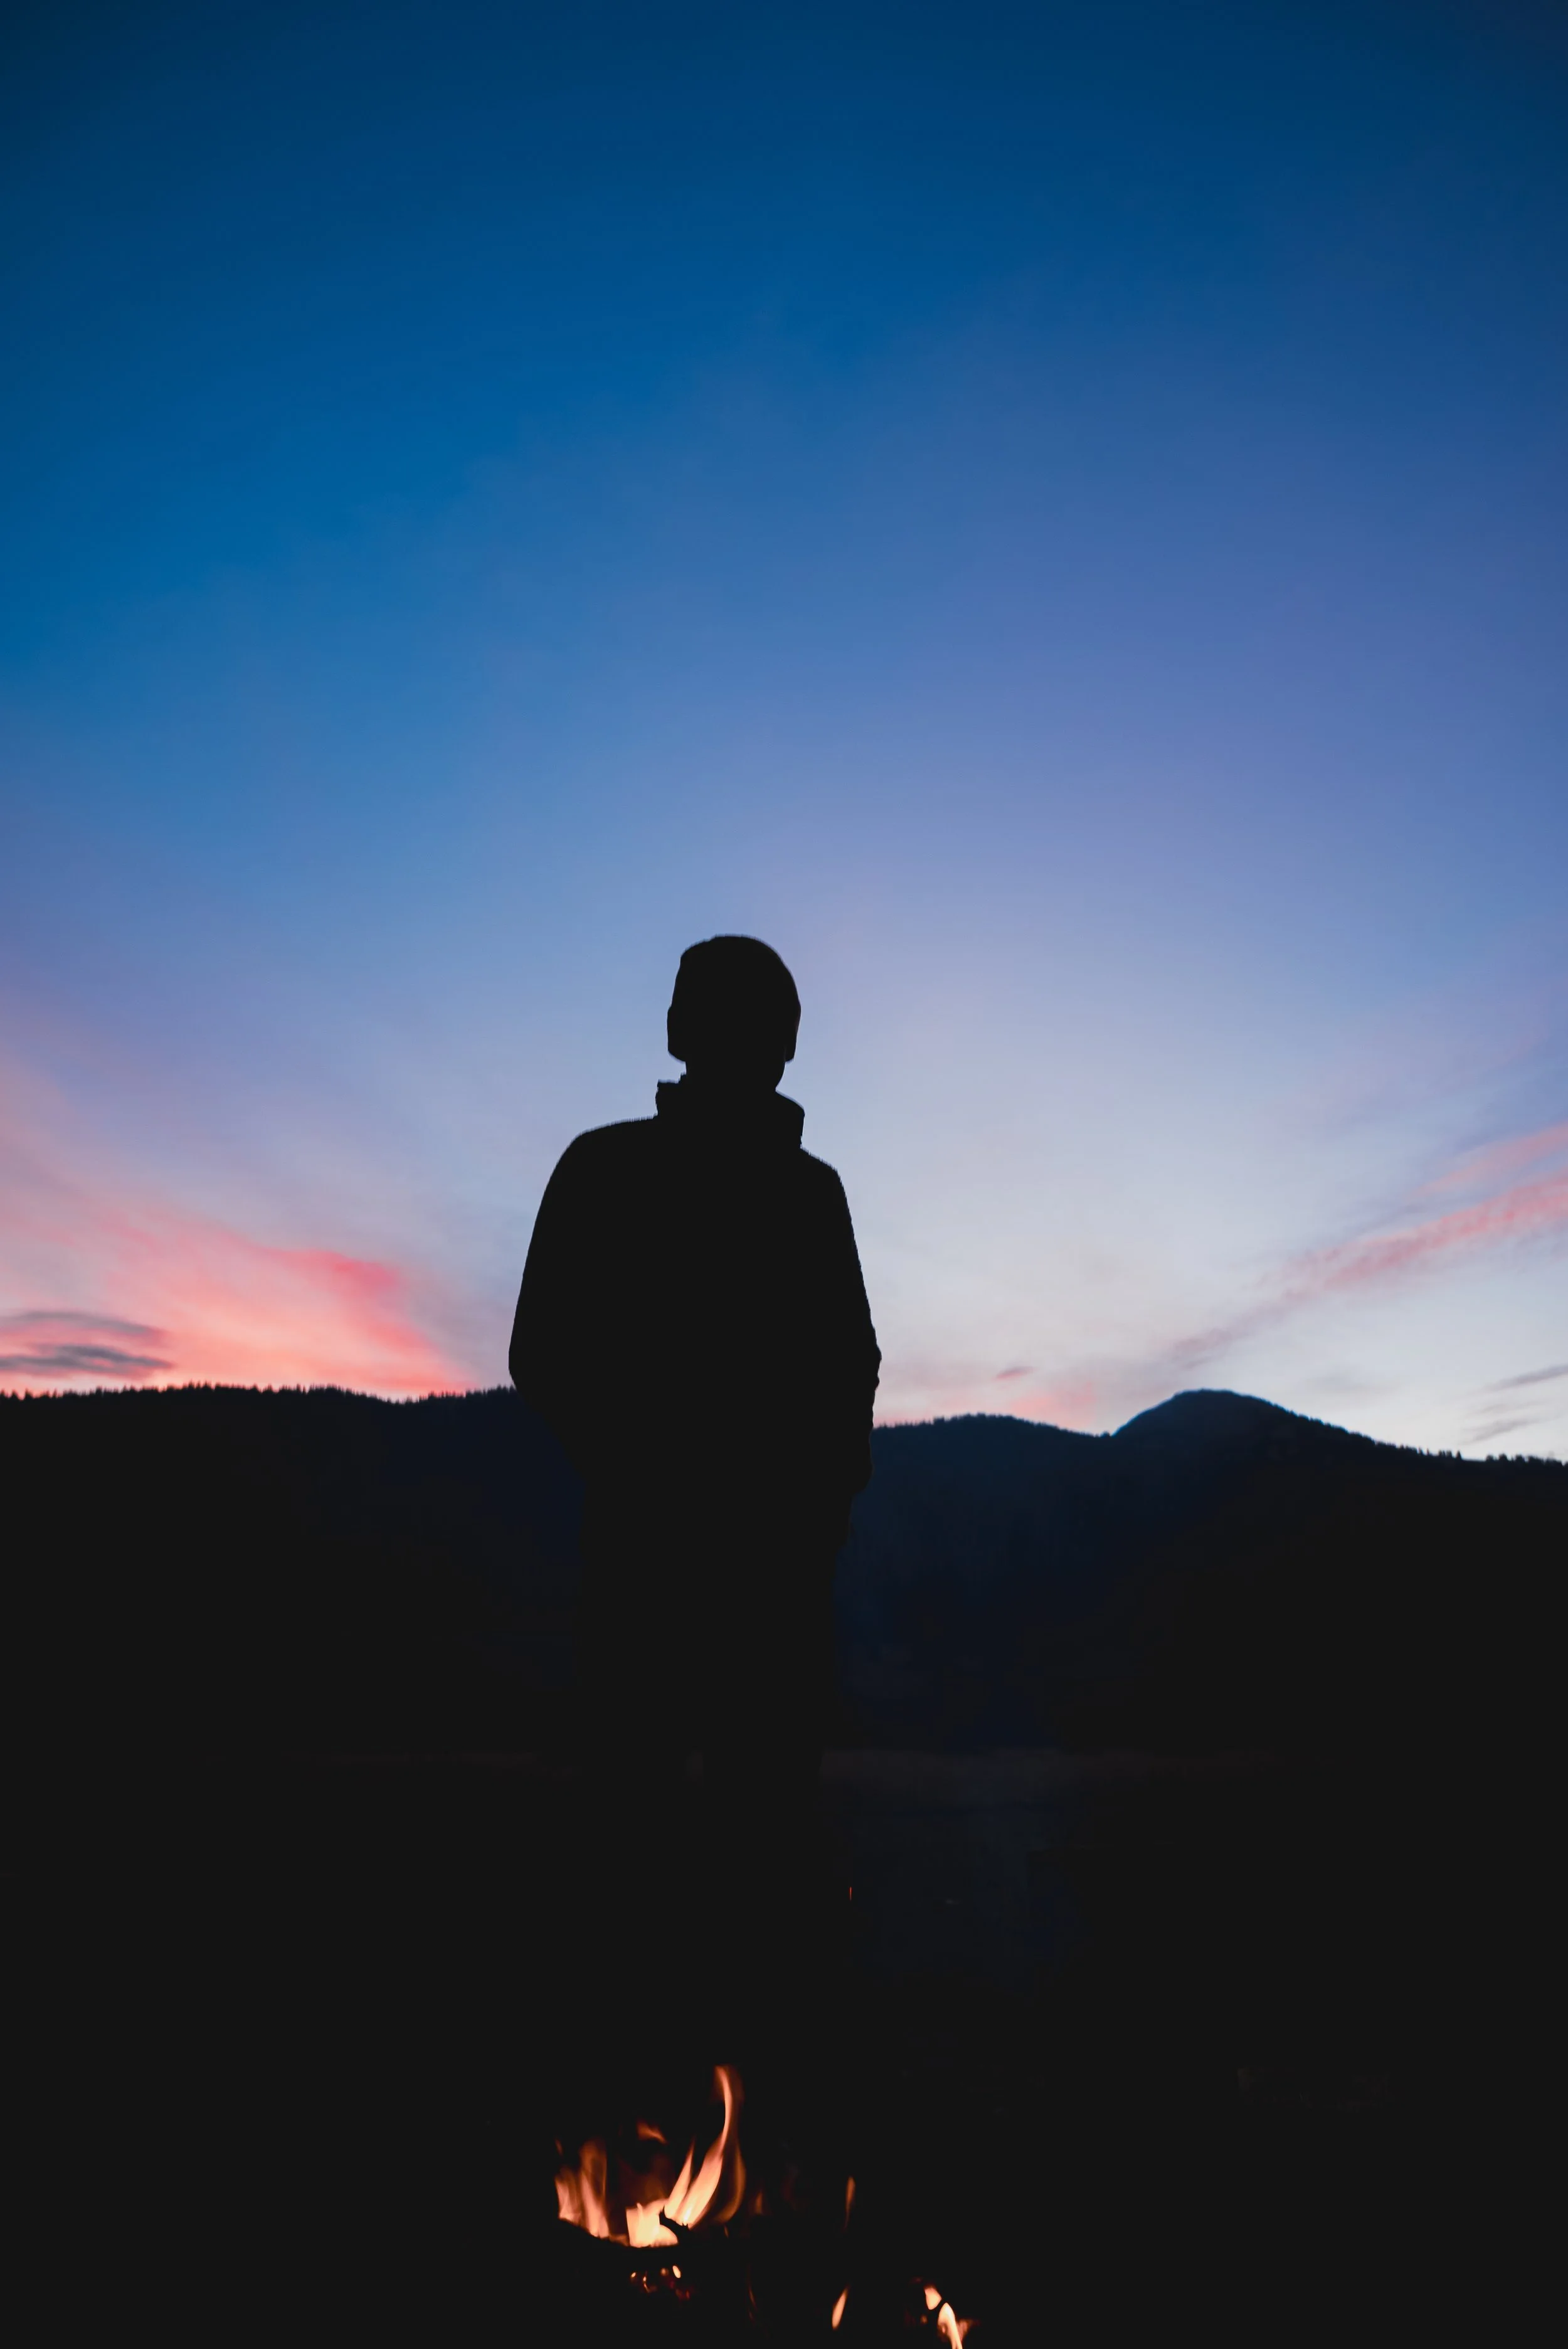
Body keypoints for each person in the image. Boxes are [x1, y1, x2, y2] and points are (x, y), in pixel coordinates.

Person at [509, 937, 879, 1914]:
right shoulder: (606, 1169)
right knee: (642, 1836)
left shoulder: (810, 1194)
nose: (749, 1040)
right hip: (656, 1568)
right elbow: (543, 1352)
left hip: (768, 1575)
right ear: (679, 1031)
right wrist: (648, 1476)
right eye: (725, 1015)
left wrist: (822, 1504)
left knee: (755, 1836)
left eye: (762, 1021)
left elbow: (851, 1365)